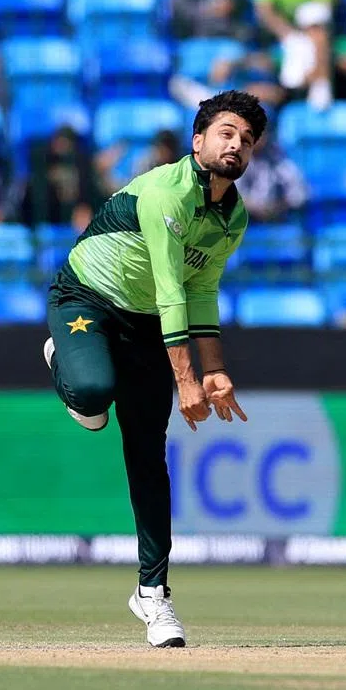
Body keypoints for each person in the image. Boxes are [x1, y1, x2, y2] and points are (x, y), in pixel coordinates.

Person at [42, 90, 266, 649]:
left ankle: (152, 593)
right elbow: (171, 288)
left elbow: (202, 292)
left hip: (147, 325)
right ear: (199, 141)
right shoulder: (168, 189)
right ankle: (67, 367)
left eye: (246, 139)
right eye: (225, 133)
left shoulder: (232, 216)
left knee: (148, 453)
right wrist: (186, 379)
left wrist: (213, 371)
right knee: (93, 394)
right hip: (87, 299)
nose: (235, 144)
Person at [23, 124, 103, 230]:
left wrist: (84, 207)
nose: (61, 145)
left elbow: (89, 193)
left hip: (76, 214)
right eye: (59, 141)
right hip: (47, 214)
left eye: (66, 142)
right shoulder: (42, 161)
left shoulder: (83, 163)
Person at [236, 125, 308, 222]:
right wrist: (254, 208)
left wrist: (280, 206)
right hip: (245, 219)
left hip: (277, 216)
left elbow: (300, 192)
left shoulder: (278, 156)